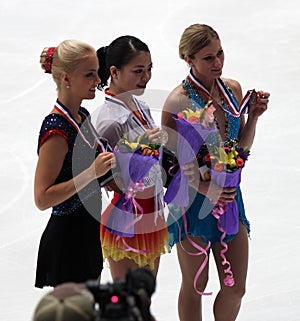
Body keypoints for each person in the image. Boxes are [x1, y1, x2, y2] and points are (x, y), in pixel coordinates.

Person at [161, 24, 270, 321]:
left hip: (231, 199)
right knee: (196, 285)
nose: (218, 62)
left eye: (220, 53)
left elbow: (238, 152)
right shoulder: (177, 102)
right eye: (208, 58)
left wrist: (254, 119)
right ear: (189, 59)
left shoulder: (232, 89)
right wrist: (205, 189)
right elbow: (169, 165)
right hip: (191, 203)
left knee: (236, 288)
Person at [34, 40, 115, 288]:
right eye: (89, 74)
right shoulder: (57, 130)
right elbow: (42, 198)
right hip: (68, 237)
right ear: (67, 78)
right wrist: (92, 173)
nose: (97, 80)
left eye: (97, 72)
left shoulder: (83, 116)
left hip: (89, 228)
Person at [94, 35, 170, 281]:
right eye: (138, 71)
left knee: (144, 301)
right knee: (129, 305)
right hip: (127, 220)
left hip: (152, 212)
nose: (146, 77)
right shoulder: (109, 122)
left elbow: (151, 158)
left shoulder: (141, 106)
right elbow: (106, 180)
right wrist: (141, 152)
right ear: (114, 72)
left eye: (149, 69)